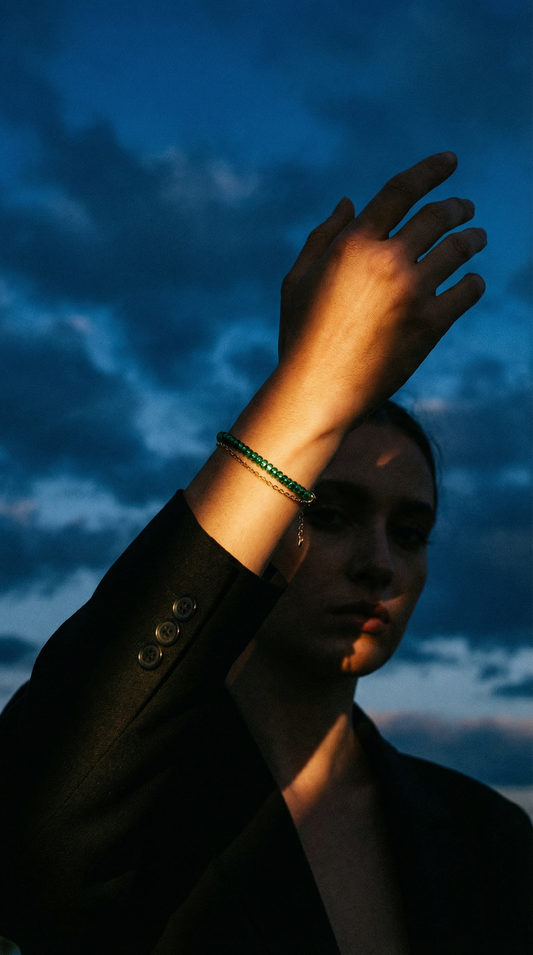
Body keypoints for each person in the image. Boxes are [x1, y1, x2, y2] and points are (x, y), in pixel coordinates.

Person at [0, 153, 530, 955]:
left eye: (411, 530)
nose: (378, 563)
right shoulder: (143, 808)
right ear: (267, 520)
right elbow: (34, 825)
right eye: (333, 513)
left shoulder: (489, 835)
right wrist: (309, 388)